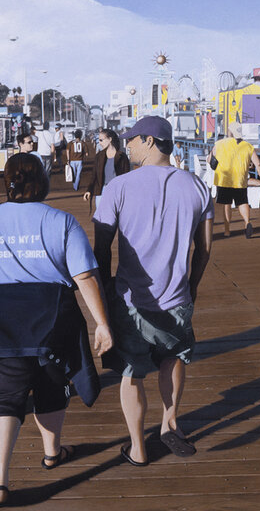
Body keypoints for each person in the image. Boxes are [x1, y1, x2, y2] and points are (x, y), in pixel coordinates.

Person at [0, 153, 113, 508]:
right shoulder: (62, 221)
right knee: (52, 384)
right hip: (52, 318)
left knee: (4, 396)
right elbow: (84, 277)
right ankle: (52, 453)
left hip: (1, 319)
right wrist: (102, 324)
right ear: (45, 182)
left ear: (7, 183)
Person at [93, 116, 213, 466]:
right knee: (173, 359)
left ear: (148, 140)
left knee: (131, 372)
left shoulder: (119, 187)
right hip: (176, 297)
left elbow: (100, 249)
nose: (126, 145)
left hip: (131, 300)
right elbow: (204, 249)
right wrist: (191, 287)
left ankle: (137, 447)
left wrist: (102, 297)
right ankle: (169, 424)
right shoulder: (197, 186)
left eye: (131, 140)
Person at [207, 122, 260, 238]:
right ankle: (247, 222)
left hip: (224, 179)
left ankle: (227, 230)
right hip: (240, 179)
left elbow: (209, 160)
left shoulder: (219, 144)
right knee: (242, 202)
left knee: (227, 204)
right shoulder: (248, 146)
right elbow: (258, 164)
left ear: (229, 131)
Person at [84, 129, 130, 211]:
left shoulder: (122, 156)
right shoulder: (99, 156)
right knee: (100, 216)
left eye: (101, 140)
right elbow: (94, 175)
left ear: (110, 139)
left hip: (117, 191)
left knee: (116, 215)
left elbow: (127, 176)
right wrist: (89, 190)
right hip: (101, 190)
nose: (100, 143)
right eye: (99, 140)